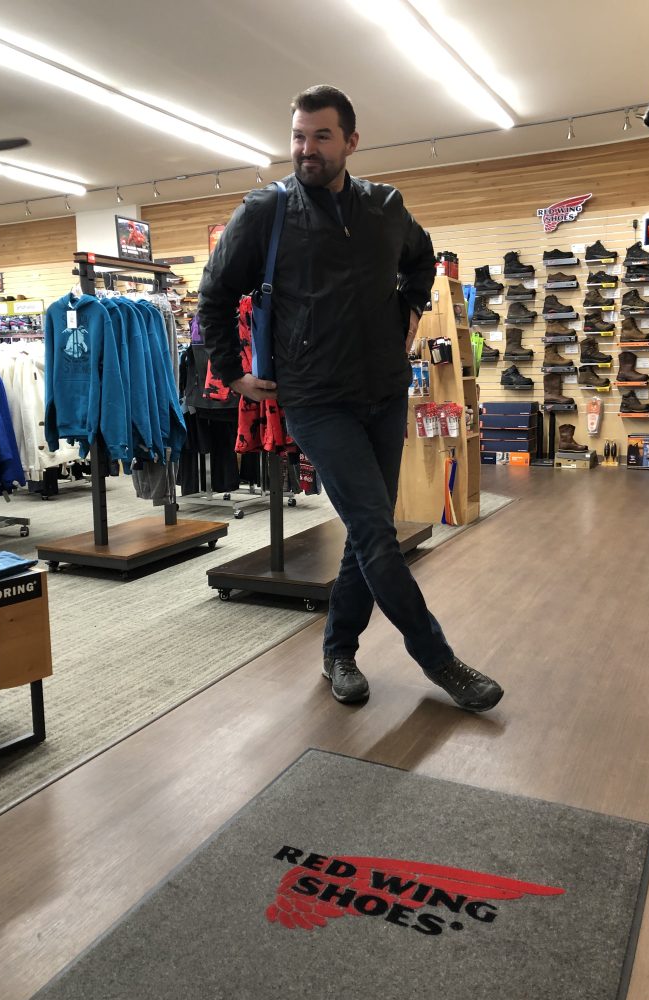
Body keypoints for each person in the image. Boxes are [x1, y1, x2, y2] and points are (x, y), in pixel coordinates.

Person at [198, 84, 503, 713]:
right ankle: (440, 661)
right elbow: (214, 294)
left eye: (321, 136)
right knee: (375, 531)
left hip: (386, 393)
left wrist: (413, 308)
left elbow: (423, 260)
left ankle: (338, 649)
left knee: (368, 534)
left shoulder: (386, 207)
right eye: (298, 137)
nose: (306, 150)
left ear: (352, 141)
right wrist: (232, 374)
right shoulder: (268, 211)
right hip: (315, 399)